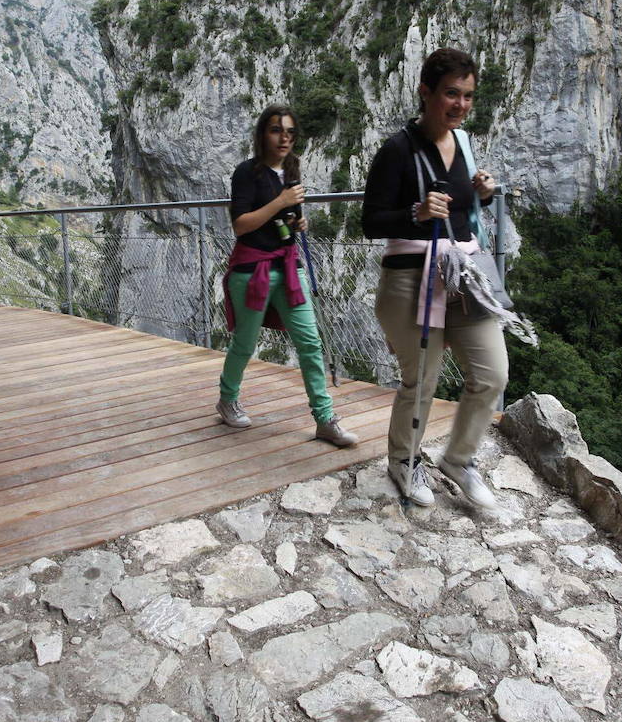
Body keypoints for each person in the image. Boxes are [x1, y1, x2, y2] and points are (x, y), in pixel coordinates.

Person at [361, 47, 509, 508]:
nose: (460, 105)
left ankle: (459, 460)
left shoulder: (462, 145)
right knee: (421, 380)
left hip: (463, 275)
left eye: (467, 96)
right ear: (425, 92)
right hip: (410, 278)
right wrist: (416, 212)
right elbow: (370, 221)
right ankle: (404, 460)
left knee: (492, 374)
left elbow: (461, 214)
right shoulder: (397, 150)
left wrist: (480, 195)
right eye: (451, 94)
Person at [217, 104, 356, 447]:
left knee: (310, 342)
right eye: (277, 130)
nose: (284, 138)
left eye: (290, 132)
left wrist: (297, 222)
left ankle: (325, 419)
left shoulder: (291, 173)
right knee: (245, 343)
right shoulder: (246, 172)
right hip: (252, 270)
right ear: (263, 133)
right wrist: (280, 203)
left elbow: (284, 220)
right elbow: (240, 225)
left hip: (289, 266)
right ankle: (227, 397)